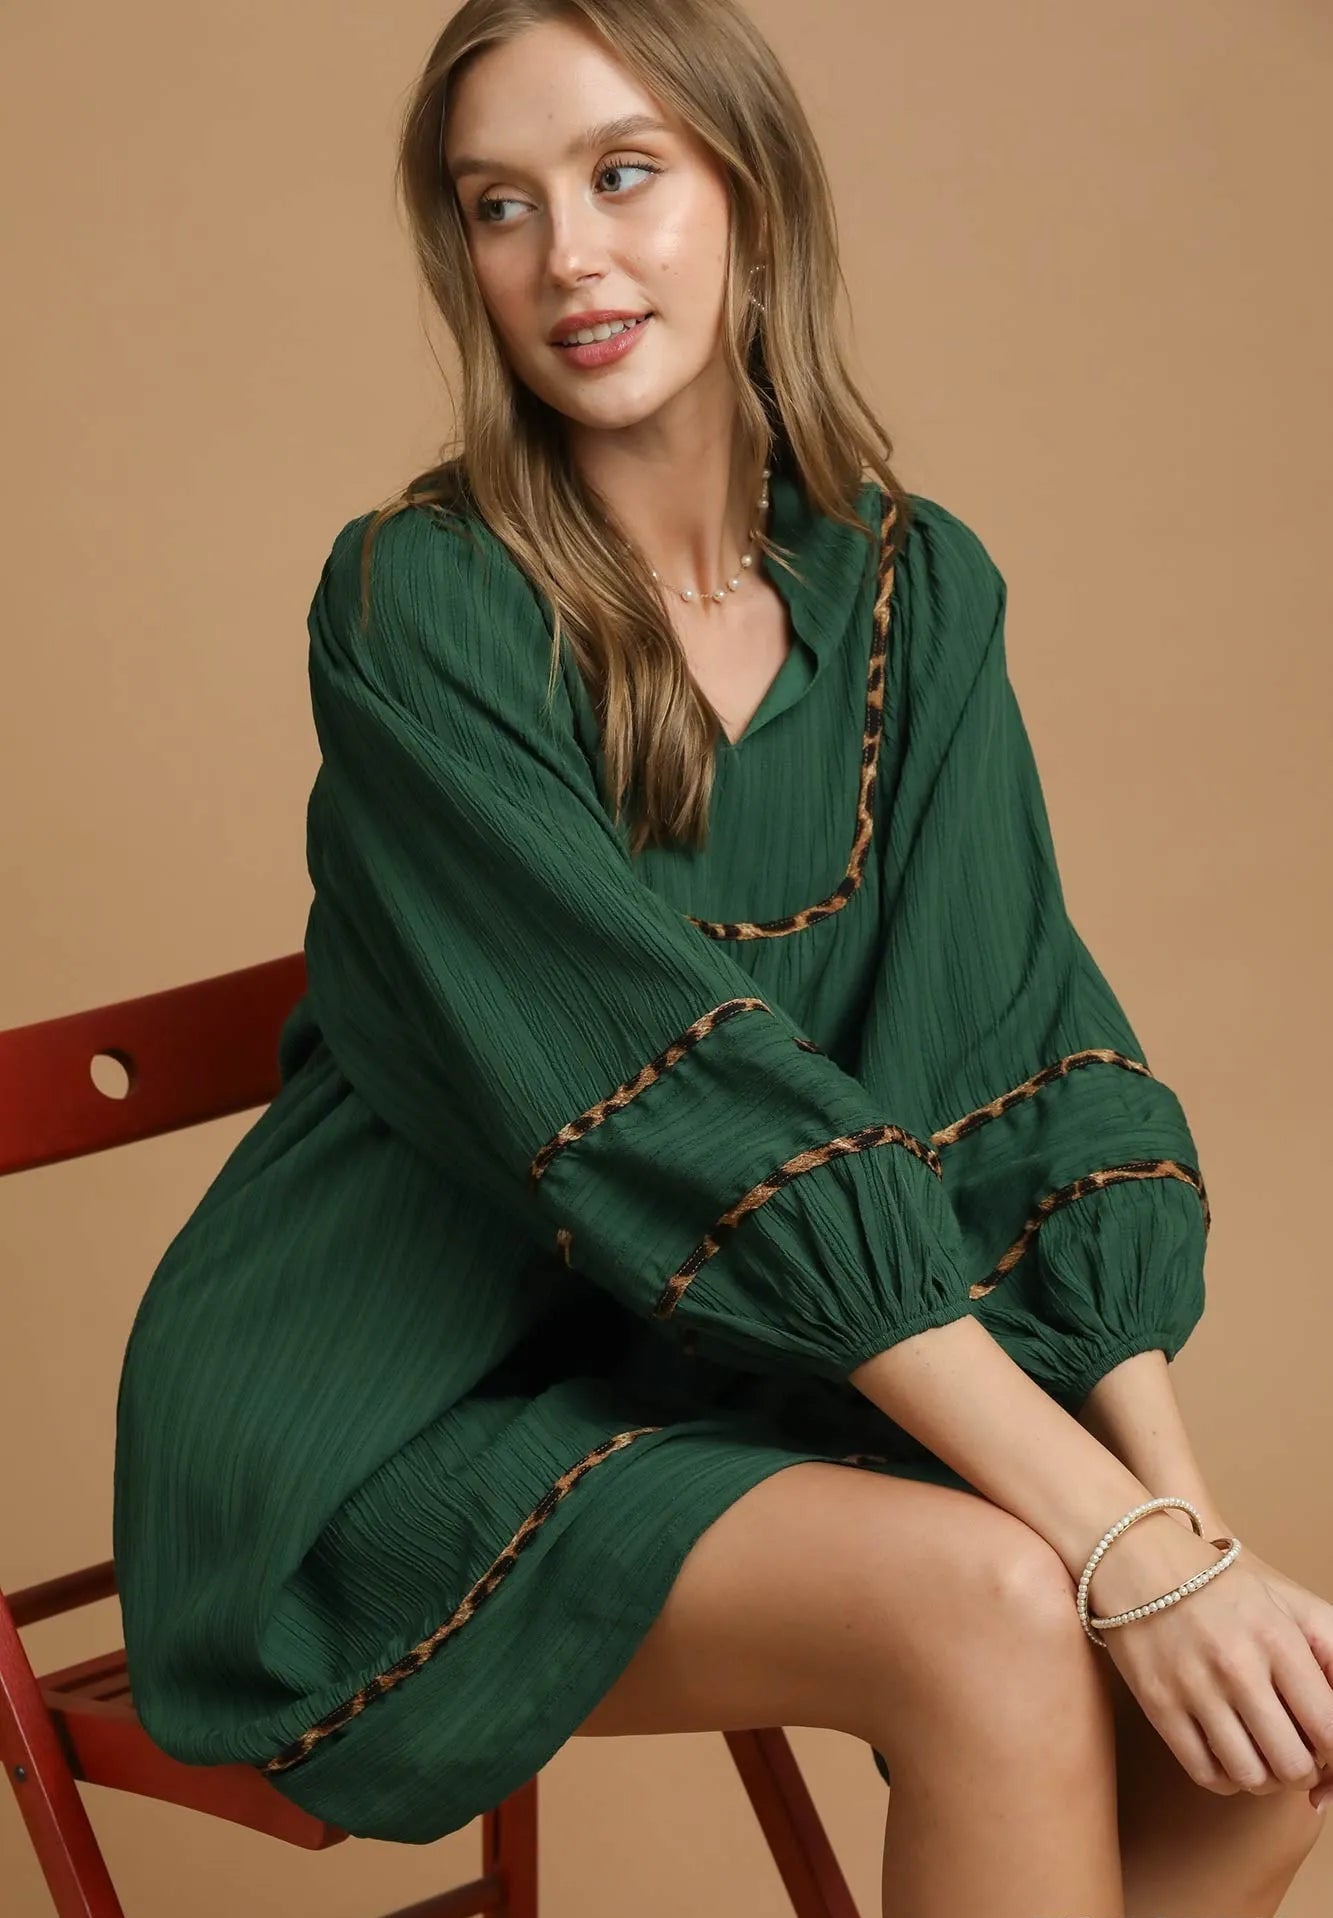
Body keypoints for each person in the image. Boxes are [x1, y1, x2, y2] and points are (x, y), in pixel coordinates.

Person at [111, 2, 1332, 1911]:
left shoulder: (916, 590)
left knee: (1267, 1729)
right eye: (497, 204)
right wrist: (1096, 1542)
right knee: (996, 1605)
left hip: (722, 1378)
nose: (566, 256)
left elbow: (1025, 1061)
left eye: (620, 174)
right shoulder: (419, 603)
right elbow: (678, 1110)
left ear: (751, 198)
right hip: (379, 1426)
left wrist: (1171, 1527)